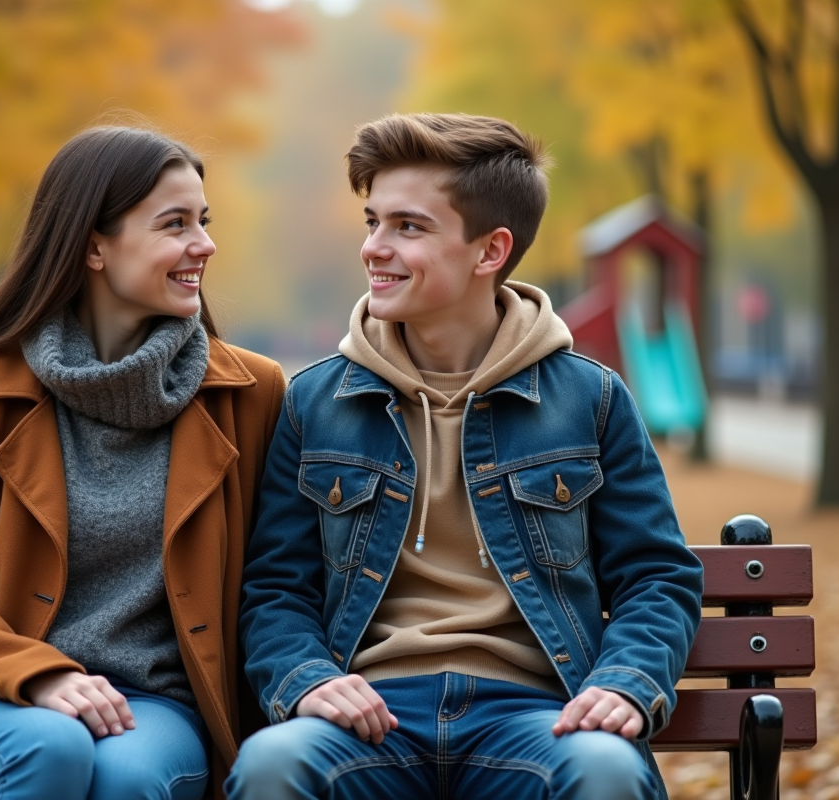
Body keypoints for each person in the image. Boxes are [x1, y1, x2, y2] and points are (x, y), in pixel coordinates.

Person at [228, 113, 703, 800]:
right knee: (276, 765)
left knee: (606, 772)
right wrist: (311, 679)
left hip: (537, 717)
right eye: (372, 222)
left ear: (489, 252)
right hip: (370, 718)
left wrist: (623, 685)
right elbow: (276, 590)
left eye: (408, 227)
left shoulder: (589, 399)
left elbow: (657, 577)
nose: (374, 249)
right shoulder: (314, 403)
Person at [0, 126, 285, 800]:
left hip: (156, 707)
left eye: (204, 221)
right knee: (51, 747)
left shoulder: (251, 395)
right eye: (175, 224)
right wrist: (40, 674)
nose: (204, 244)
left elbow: (275, 579)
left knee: (126, 774)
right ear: (92, 246)